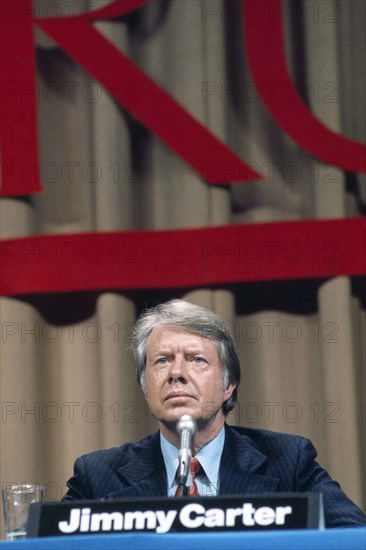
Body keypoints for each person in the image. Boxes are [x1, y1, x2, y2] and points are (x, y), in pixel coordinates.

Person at [63, 299, 366, 527]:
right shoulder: (98, 476)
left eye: (196, 360)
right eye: (162, 361)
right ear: (145, 387)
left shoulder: (287, 461)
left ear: (228, 385)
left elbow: (352, 536)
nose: (177, 373)